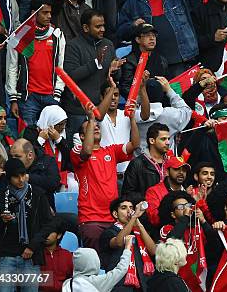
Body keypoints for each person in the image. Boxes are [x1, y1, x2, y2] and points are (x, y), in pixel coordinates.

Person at [117, 0, 207, 78]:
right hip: (152, 64)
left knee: (181, 96)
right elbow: (120, 32)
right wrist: (133, 26)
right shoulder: (134, 2)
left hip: (182, 61)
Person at [71, 106, 140, 252]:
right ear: (82, 136)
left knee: (114, 260)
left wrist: (132, 119)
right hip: (91, 219)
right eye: (91, 127)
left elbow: (135, 144)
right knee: (96, 263)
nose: (96, 128)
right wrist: (91, 119)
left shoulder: (111, 151)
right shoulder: (77, 150)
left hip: (113, 218)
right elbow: (87, 151)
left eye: (97, 127)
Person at [0, 158, 53, 292]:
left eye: (23, 175)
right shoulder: (0, 197)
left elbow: (49, 224)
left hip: (31, 255)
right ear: (9, 177)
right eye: (16, 177)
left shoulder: (38, 194)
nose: (21, 179)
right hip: (6, 256)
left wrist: (32, 246)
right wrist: (1, 221)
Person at [62, 9, 122, 138]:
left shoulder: (108, 44)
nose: (102, 29)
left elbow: (112, 80)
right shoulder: (73, 46)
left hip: (99, 110)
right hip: (77, 111)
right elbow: (70, 77)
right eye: (98, 26)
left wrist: (115, 70)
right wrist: (95, 63)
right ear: (85, 27)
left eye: (103, 25)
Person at [7, 0, 65, 126]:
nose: (49, 16)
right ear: (34, 13)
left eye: (50, 12)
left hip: (51, 96)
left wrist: (57, 93)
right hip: (28, 98)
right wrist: (13, 99)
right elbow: (12, 68)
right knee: (28, 139)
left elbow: (61, 67)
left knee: (53, 138)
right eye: (45, 13)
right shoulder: (20, 36)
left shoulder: (57, 35)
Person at [99, 197, 157, 291]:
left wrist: (137, 222)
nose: (129, 211)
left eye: (131, 207)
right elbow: (119, 242)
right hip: (120, 284)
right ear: (115, 214)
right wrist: (134, 217)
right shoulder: (109, 232)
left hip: (143, 282)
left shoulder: (138, 231)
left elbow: (153, 251)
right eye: (124, 208)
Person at [135, 77, 193, 154]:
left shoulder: (133, 114)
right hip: (166, 163)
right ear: (162, 95)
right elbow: (187, 111)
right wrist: (169, 90)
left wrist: (140, 93)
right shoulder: (171, 114)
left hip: (138, 162)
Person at [62, 237, 133, 292]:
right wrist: (127, 248)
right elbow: (121, 269)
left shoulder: (67, 283)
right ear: (95, 262)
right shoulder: (99, 281)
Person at [122, 123, 171, 199]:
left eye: (168, 139)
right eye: (163, 139)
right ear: (152, 141)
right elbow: (127, 194)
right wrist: (149, 199)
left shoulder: (171, 162)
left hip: (168, 209)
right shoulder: (137, 163)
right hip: (146, 209)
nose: (168, 142)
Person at [118, 23, 168, 99]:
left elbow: (169, 82)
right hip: (138, 105)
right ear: (138, 39)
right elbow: (125, 88)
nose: (152, 38)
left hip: (161, 103)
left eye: (154, 35)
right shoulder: (129, 61)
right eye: (147, 35)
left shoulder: (162, 60)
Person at [9, 138, 60, 210]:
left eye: (17, 156)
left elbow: (54, 183)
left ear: (30, 155)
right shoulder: (11, 165)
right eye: (12, 156)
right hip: (18, 210)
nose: (13, 160)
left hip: (44, 210)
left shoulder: (48, 161)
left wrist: (29, 178)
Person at [145, 155, 189, 227]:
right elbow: (155, 219)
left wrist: (196, 202)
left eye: (184, 170)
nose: (181, 172)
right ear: (167, 172)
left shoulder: (188, 192)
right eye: (176, 169)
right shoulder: (153, 191)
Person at [40, 217, 73, 292]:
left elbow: (72, 278)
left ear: (59, 235)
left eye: (49, 232)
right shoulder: (35, 255)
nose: (46, 235)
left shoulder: (67, 255)